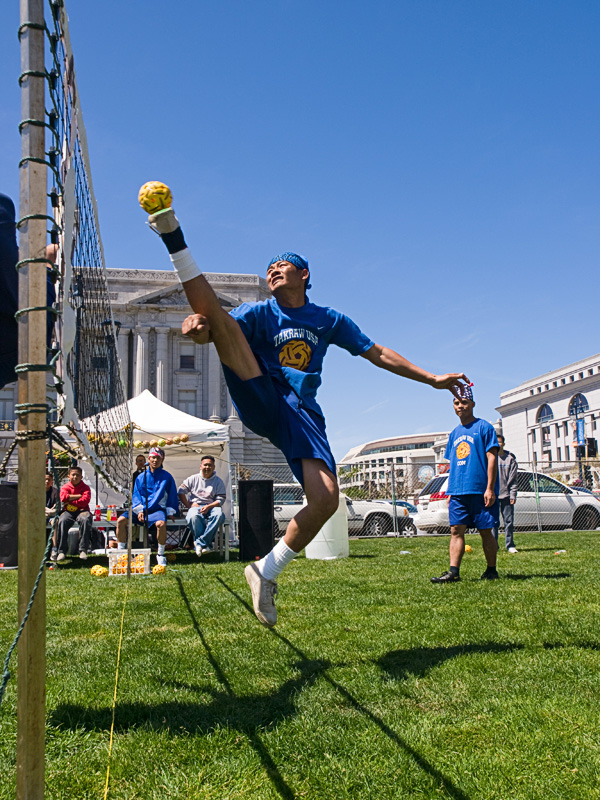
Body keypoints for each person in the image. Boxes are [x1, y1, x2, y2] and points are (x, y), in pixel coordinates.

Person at [144, 201, 468, 626]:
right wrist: (199, 330)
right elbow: (213, 328)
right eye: (269, 268)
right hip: (261, 392)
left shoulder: (328, 319)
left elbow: (379, 352)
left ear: (304, 275)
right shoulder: (259, 312)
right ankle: (172, 234)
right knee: (222, 321)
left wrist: (431, 379)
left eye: (283, 266)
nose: (273, 271)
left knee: (326, 498)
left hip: (302, 415)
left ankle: (265, 572)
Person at [431, 385, 499, 583]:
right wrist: (450, 490)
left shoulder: (484, 427)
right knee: (455, 530)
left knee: (485, 531)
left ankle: (491, 569)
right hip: (458, 491)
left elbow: (492, 458)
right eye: (456, 403)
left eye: (464, 403)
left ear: (473, 404)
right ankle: (454, 572)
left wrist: (489, 488)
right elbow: (453, 464)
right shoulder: (454, 433)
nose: (460, 406)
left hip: (479, 490)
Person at [116, 446, 178, 567]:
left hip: (156, 509)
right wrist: (139, 510)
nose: (155, 460)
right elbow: (136, 495)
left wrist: (170, 511)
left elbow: (172, 495)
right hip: (139, 509)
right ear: (149, 459)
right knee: (121, 520)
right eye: (153, 458)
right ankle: (121, 553)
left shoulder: (167, 477)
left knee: (161, 524)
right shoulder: (140, 477)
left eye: (158, 458)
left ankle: (160, 554)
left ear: (162, 459)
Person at [178, 455, 226, 556]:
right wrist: (188, 505)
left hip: (212, 506)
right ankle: (206, 545)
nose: (207, 467)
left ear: (214, 467)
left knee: (219, 516)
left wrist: (209, 506)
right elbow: (180, 491)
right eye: (205, 465)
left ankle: (199, 543)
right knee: (193, 516)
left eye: (210, 465)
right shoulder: (193, 478)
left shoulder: (218, 481)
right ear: (201, 466)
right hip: (196, 505)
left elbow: (221, 499)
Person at [53, 466, 93, 561]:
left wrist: (70, 500)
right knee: (62, 521)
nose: (75, 477)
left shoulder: (86, 488)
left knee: (85, 519)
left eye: (77, 475)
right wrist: (78, 496)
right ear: (69, 476)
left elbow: (85, 501)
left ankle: (83, 549)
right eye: (73, 475)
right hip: (68, 511)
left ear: (81, 477)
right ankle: (61, 551)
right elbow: (63, 498)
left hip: (82, 510)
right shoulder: (65, 487)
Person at [491, 433, 518, 553]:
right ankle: (493, 545)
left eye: (500, 442)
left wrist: (513, 494)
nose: (498, 444)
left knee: (509, 521)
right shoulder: (489, 458)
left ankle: (510, 545)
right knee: (493, 522)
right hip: (493, 496)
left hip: (506, 495)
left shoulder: (510, 459)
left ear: (504, 444)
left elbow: (513, 480)